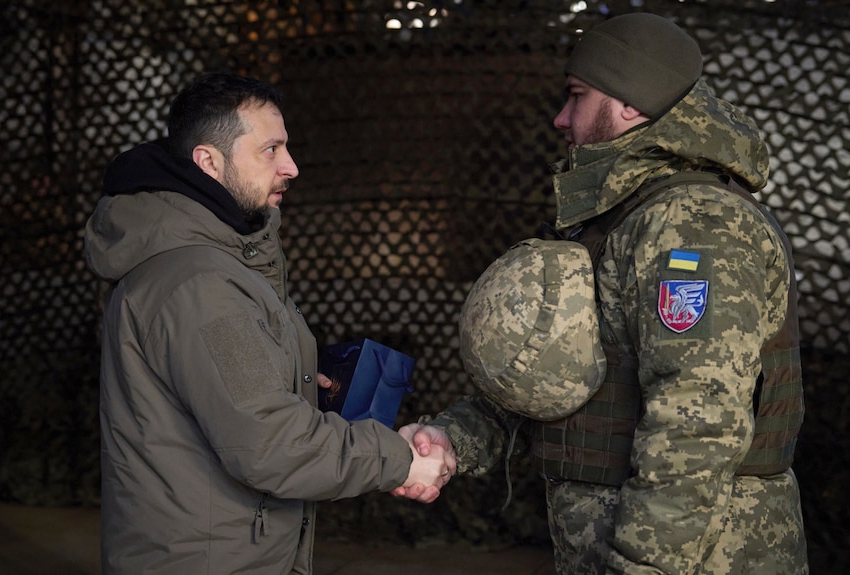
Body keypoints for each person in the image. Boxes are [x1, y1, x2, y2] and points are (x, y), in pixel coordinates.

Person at [395, 12, 808, 575]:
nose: (562, 119)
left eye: (577, 96)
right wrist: (451, 441)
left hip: (703, 558)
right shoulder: (624, 213)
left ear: (629, 103)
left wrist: (641, 566)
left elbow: (698, 423)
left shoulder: (693, 223)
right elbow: (566, 377)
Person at [83, 72, 452, 575]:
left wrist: (290, 375)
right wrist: (402, 459)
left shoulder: (216, 263)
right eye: (270, 150)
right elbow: (272, 446)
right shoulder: (200, 284)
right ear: (208, 162)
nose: (291, 167)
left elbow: (224, 395)